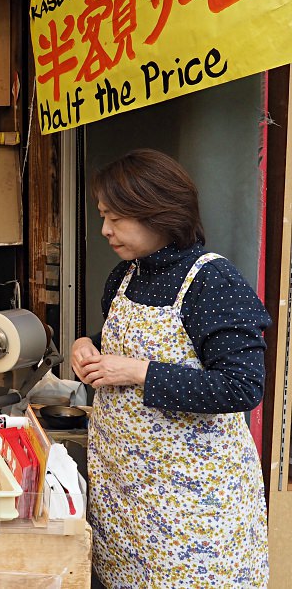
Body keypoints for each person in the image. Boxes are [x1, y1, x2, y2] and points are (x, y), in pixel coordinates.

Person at [70, 149, 268, 587]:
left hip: (192, 502)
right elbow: (126, 342)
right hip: (126, 491)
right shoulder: (125, 275)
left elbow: (242, 386)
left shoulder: (212, 281)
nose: (105, 230)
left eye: (115, 218)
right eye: (103, 217)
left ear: (157, 212)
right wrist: (88, 346)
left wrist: (139, 372)